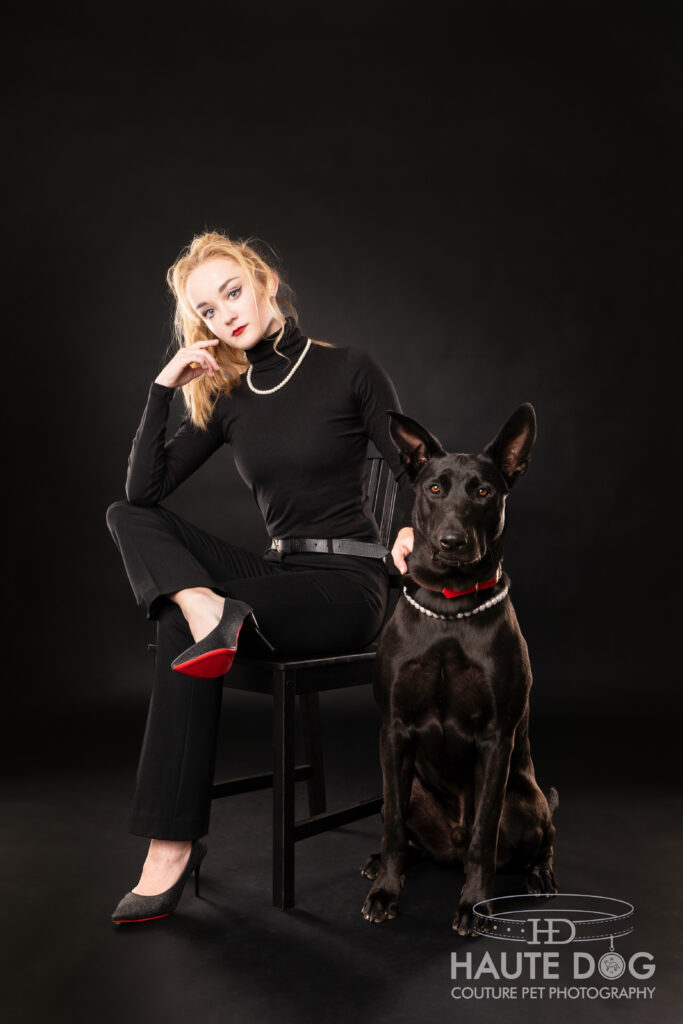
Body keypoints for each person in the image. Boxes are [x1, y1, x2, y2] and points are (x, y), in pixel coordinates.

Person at [106, 231, 415, 924]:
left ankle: (171, 845)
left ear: (265, 281)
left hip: (347, 585)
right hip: (278, 574)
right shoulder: (231, 398)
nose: (225, 316)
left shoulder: (350, 369)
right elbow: (143, 492)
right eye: (207, 311)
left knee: (176, 620)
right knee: (126, 518)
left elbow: (413, 471)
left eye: (232, 293)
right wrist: (162, 390)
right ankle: (203, 609)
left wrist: (407, 528)